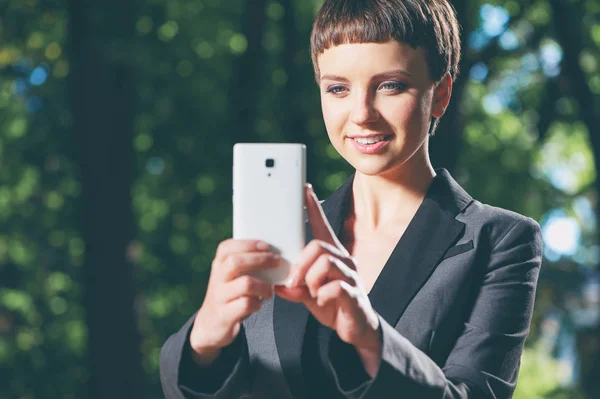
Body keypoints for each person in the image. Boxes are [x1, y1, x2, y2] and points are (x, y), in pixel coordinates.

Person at [159, 0, 543, 398]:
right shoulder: (282, 232)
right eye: (338, 88)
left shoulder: (501, 240)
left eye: (390, 85)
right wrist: (203, 340)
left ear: (441, 94)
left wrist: (370, 338)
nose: (361, 113)